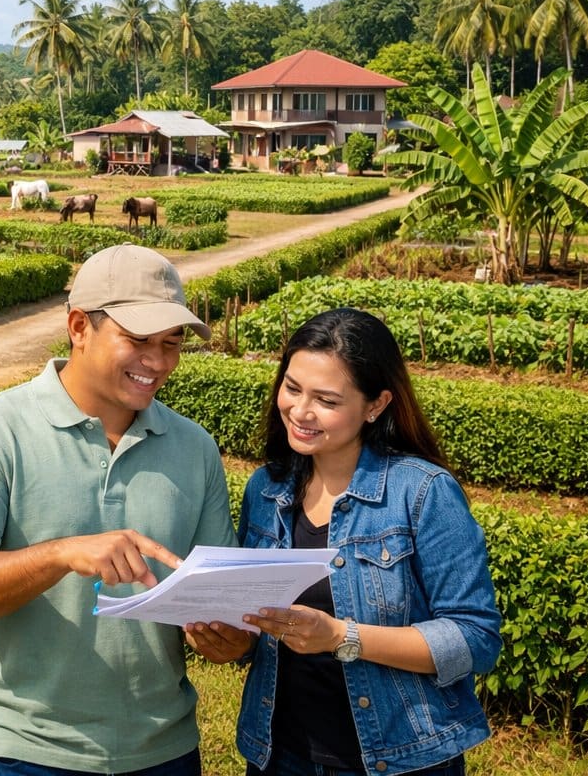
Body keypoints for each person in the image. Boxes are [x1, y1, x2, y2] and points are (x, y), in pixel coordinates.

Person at [0, 244, 236, 776]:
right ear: (78, 327)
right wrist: (63, 553)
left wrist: (228, 638)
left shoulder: (194, 447)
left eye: (171, 343)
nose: (158, 362)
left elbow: (222, 604)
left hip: (162, 749)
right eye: (137, 340)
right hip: (22, 748)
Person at [191, 308, 501, 776]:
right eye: (292, 388)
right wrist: (232, 640)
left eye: (327, 400)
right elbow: (263, 632)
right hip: (280, 754)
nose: (300, 411)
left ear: (375, 405)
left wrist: (341, 637)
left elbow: (475, 639)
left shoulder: (420, 493)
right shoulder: (266, 489)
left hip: (400, 758)